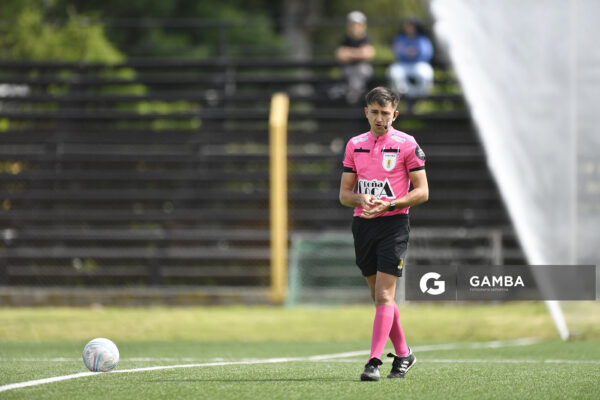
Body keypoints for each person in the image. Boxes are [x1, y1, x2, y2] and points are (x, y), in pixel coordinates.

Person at [339, 86, 428, 381]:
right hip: (363, 224)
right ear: (366, 112)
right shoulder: (354, 144)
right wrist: (361, 200)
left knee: (384, 295)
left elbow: (422, 192)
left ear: (395, 114)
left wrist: (389, 203)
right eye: (374, 112)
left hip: (394, 225)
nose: (380, 119)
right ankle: (404, 354)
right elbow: (344, 195)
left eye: (385, 113)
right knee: (380, 298)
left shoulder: (406, 144)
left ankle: (373, 362)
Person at [331, 11, 375, 104]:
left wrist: (349, 53)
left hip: (363, 71)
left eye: (357, 24)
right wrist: (359, 53)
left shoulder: (366, 38)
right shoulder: (344, 39)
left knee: (360, 71)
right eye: (352, 24)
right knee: (353, 74)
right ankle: (354, 99)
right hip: (348, 70)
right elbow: (340, 55)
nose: (355, 27)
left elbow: (368, 54)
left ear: (363, 26)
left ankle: (352, 99)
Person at [386, 18, 434, 100]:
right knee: (393, 72)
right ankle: (404, 94)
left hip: (419, 64)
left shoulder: (422, 39)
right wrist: (407, 53)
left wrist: (417, 53)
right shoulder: (400, 38)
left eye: (411, 26)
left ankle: (421, 96)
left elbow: (428, 53)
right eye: (407, 26)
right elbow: (397, 51)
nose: (409, 28)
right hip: (403, 64)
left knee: (426, 75)